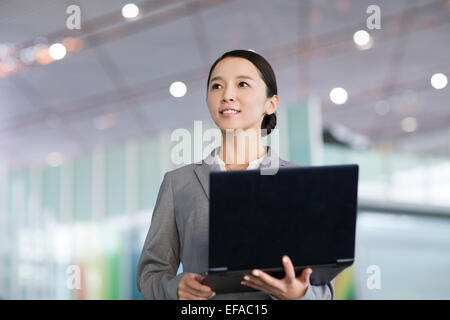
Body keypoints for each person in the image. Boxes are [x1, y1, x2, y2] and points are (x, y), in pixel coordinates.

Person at [136, 49, 334, 300]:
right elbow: (150, 274)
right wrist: (176, 288)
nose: (227, 95)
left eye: (242, 84)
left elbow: (323, 288)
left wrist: (300, 293)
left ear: (271, 103)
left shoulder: (302, 184)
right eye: (216, 86)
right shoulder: (178, 184)